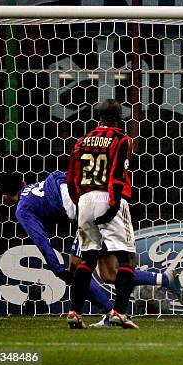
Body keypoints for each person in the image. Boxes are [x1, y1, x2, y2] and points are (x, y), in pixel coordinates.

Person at [0, 171, 182, 327]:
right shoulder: (39, 187)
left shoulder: (22, 208)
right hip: (97, 200)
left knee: (77, 269)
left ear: (5, 196)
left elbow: (40, 238)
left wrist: (55, 267)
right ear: (23, 182)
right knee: (109, 274)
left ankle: (111, 313)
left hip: (86, 211)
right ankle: (164, 279)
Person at [66, 99, 137, 329]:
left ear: (98, 116)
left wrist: (80, 202)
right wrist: (113, 206)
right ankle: (119, 312)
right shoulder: (122, 139)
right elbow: (117, 174)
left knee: (88, 258)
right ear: (119, 117)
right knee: (126, 258)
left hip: (85, 200)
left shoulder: (82, 140)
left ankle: (74, 312)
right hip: (109, 197)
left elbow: (71, 178)